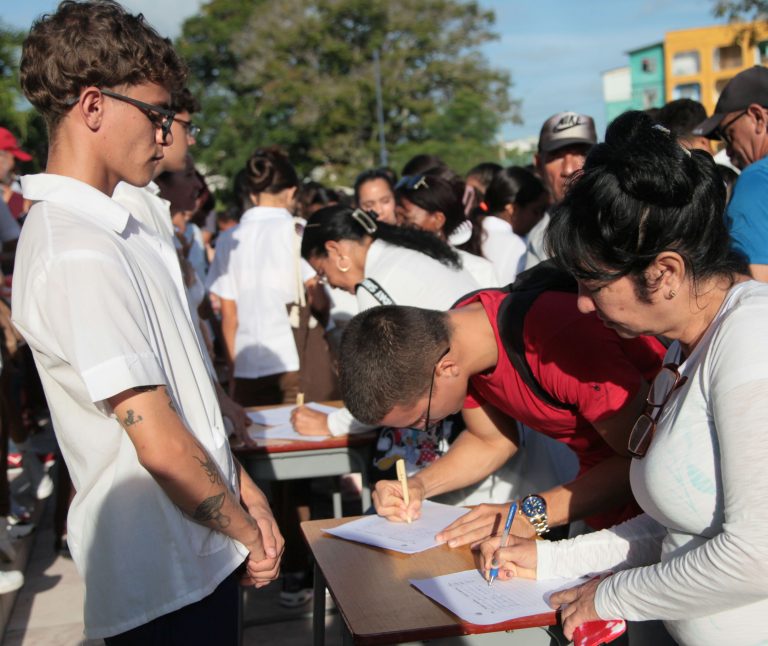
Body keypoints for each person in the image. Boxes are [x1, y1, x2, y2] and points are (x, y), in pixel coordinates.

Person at [15, 2, 283, 642]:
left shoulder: (116, 226)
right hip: (162, 578)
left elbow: (183, 394)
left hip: (195, 555)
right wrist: (246, 532)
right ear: (94, 106)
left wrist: (243, 488)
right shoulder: (76, 248)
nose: (165, 135)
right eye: (156, 114)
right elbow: (157, 440)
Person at [480, 110, 766, 646]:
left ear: (664, 273)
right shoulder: (686, 348)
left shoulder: (752, 343)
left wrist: (610, 595)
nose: (583, 306)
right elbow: (675, 528)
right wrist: (548, 558)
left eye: (594, 284)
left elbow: (757, 555)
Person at [291, 204, 480, 439]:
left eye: (322, 272)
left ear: (336, 251)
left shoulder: (374, 286)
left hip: (455, 414)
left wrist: (332, 425)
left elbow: (381, 386)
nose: (330, 284)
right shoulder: (409, 252)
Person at [694, 65, 768, 282]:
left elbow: (759, 289)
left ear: (758, 117)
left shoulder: (756, 180)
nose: (727, 151)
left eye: (728, 134)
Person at [395, 173, 499, 287]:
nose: (398, 224)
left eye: (406, 218)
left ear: (438, 219)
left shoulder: (478, 271)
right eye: (395, 216)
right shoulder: (393, 261)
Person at [523, 111, 596, 270]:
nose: (569, 169)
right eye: (556, 156)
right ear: (539, 164)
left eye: (581, 153)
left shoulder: (627, 217)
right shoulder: (539, 240)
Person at [482, 166, 548, 281]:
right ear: (513, 209)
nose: (540, 218)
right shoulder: (518, 246)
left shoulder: (475, 232)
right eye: (536, 211)